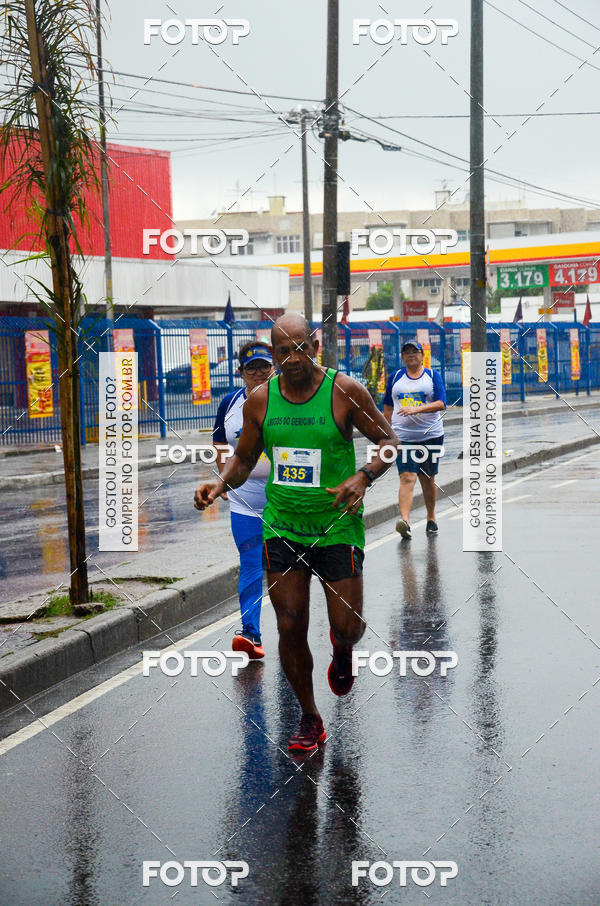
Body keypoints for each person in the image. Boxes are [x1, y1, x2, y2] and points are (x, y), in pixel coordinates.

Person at [195, 314, 399, 752]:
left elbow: (389, 442)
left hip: (335, 526)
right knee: (289, 625)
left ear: (315, 345)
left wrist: (363, 476)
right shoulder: (261, 401)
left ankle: (342, 649)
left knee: (349, 626)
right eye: (283, 351)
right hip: (282, 526)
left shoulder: (345, 392)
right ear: (274, 354)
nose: (292, 358)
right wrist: (220, 483)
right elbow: (244, 459)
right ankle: (310, 718)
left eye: (300, 348)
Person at [212, 341, 274, 659]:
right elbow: (220, 441)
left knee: (287, 572)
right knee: (250, 565)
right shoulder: (230, 403)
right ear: (241, 373)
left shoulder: (288, 401)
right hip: (244, 502)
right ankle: (251, 635)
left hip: (285, 502)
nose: (259, 372)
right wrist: (223, 478)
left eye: (265, 365)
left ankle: (293, 630)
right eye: (252, 368)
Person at [383, 339, 446, 539]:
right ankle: (405, 522)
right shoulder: (395, 377)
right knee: (407, 477)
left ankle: (431, 517)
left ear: (422, 355)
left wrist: (417, 409)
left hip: (431, 436)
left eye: (415, 351)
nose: (411, 354)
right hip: (403, 437)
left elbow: (441, 403)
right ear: (402, 357)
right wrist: (387, 433)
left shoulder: (432, 376)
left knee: (427, 478)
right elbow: (387, 406)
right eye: (407, 352)